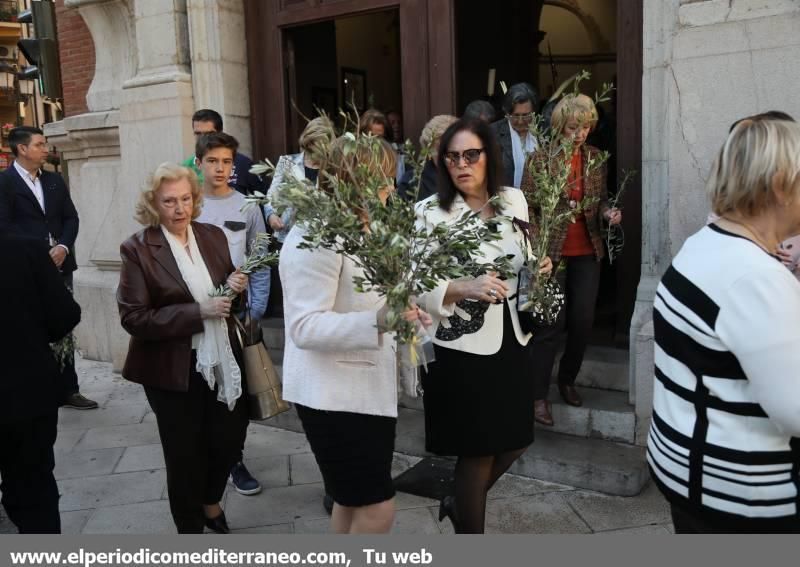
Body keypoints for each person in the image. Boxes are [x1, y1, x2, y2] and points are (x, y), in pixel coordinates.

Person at [648, 117, 800, 533]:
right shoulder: (755, 277)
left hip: (689, 476)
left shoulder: (704, 244)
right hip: (741, 498)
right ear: (783, 184)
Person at [280, 135, 429, 534]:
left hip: (361, 391)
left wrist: (409, 308)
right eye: (383, 178)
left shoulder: (365, 227)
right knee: (377, 508)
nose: (391, 188)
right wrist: (380, 320)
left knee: (351, 501)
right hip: (333, 396)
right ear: (352, 178)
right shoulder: (315, 235)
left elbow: (381, 294)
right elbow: (303, 325)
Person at [416, 118, 552, 534]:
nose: (462, 164)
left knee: (517, 440)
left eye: (471, 154)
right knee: (476, 452)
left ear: (488, 156)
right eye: (452, 156)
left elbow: (523, 257)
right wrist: (462, 287)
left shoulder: (513, 200)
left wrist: (539, 265)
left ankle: (460, 499)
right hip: (462, 348)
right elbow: (416, 285)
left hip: (513, 337)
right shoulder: (429, 213)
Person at [117, 163, 249, 534]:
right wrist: (197, 312)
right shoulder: (138, 249)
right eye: (170, 201)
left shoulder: (212, 236)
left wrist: (234, 288)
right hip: (171, 368)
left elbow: (227, 302)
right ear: (154, 205)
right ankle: (189, 527)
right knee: (184, 453)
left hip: (223, 357)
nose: (180, 209)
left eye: (186, 199)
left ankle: (210, 500)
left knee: (228, 439)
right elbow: (134, 317)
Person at [522, 93, 621, 427]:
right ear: (560, 125)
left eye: (586, 126)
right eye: (574, 127)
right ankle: (538, 397)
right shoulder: (540, 159)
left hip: (587, 252)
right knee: (549, 326)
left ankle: (567, 379)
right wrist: (537, 250)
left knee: (581, 322)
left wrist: (609, 212)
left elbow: (601, 198)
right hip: (552, 255)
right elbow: (527, 210)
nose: (580, 133)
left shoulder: (595, 158)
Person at [0, 126, 98, 410]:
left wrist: (63, 247)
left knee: (63, 323)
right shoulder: (4, 184)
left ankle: (70, 389)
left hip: (60, 264)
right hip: (26, 270)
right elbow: (4, 227)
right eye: (40, 144)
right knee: (33, 326)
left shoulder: (54, 181)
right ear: (22, 149)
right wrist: (39, 253)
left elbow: (71, 218)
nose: (46, 149)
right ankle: (40, 386)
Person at [194, 132, 268, 497]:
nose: (220, 168)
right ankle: (206, 458)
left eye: (226, 161)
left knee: (238, 396)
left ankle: (233, 459)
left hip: (237, 314)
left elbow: (260, 258)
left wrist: (256, 308)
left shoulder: (248, 206)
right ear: (199, 164)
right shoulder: (189, 206)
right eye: (212, 161)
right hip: (197, 313)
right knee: (205, 391)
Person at [0, 234, 81, 533]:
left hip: (26, 395)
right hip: (27, 393)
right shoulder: (24, 246)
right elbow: (65, 314)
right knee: (34, 489)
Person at [264, 117, 335, 317]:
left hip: (322, 242)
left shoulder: (334, 167)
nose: (318, 151)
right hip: (289, 237)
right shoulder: (287, 163)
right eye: (314, 146)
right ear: (308, 141)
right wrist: (271, 216)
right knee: (293, 296)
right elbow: (271, 197)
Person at [181, 109, 267, 196]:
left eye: (209, 133)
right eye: (198, 134)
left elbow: (264, 199)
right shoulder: (184, 168)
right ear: (198, 163)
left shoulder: (243, 163)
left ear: (220, 133)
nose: (203, 138)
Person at [397, 115, 457, 202]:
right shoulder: (412, 181)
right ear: (428, 151)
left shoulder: (471, 175)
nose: (449, 156)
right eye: (441, 150)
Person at [490, 83, 538, 187]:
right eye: (515, 116)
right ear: (507, 113)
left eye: (525, 116)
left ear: (533, 113)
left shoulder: (541, 134)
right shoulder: (493, 133)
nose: (520, 121)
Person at [360, 109, 404, 181]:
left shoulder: (394, 160)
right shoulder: (354, 159)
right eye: (372, 136)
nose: (376, 142)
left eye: (379, 138)